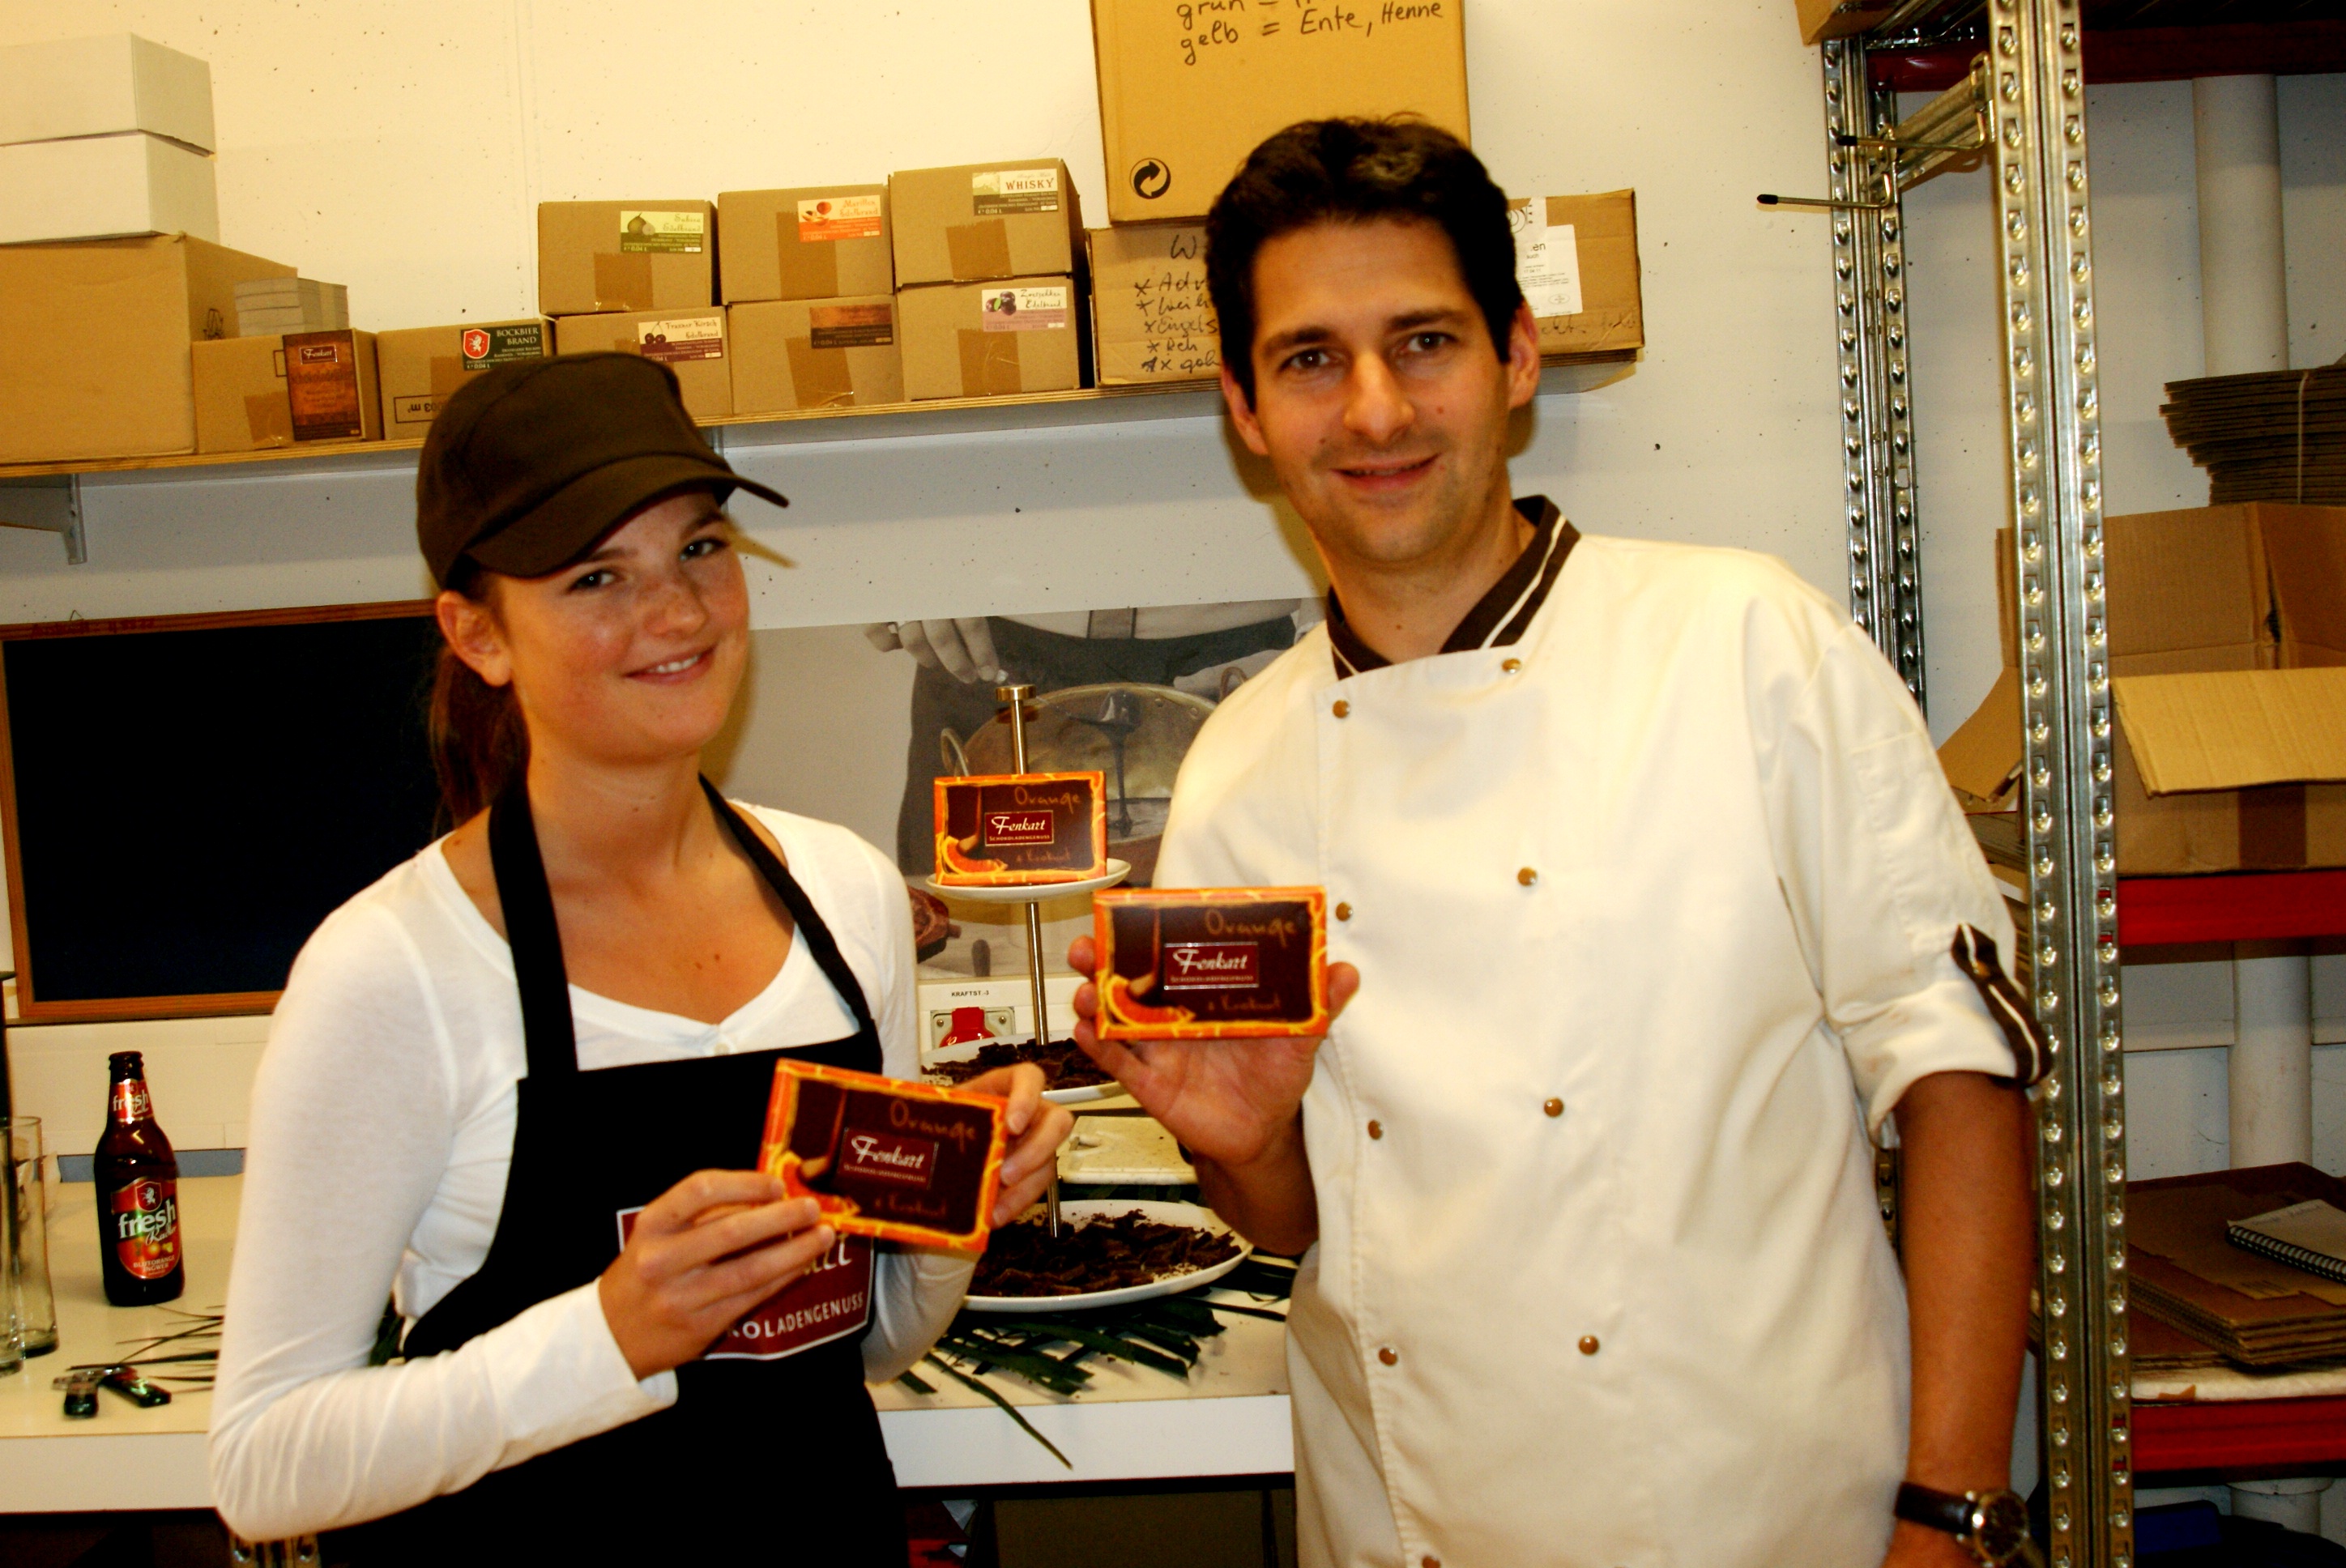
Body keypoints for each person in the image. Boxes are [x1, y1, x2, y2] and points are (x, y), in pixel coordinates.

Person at [1069, 120, 2050, 1568]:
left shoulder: (1746, 646)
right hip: (1407, 1529)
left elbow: (1956, 1079)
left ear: (1517, 356)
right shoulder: (1239, 771)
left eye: (1424, 343)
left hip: (1769, 1522)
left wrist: (1951, 1517)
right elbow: (1300, 1229)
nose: (1377, 411)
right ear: (1246, 410)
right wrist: (1251, 1147)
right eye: (1311, 359)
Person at [210, 353, 1071, 1561]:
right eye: (596, 576)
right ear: (477, 633)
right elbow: (264, 1466)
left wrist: (950, 1211)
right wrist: (610, 1335)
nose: (678, 613)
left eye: (700, 548)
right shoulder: (393, 971)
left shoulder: (847, 899)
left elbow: (865, 1346)